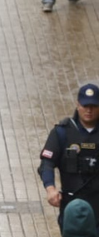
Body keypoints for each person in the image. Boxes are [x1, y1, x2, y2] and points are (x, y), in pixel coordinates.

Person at [40, 84, 99, 231]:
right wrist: (50, 189)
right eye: (85, 106)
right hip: (72, 206)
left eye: (93, 106)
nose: (89, 110)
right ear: (78, 104)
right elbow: (46, 163)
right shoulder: (62, 132)